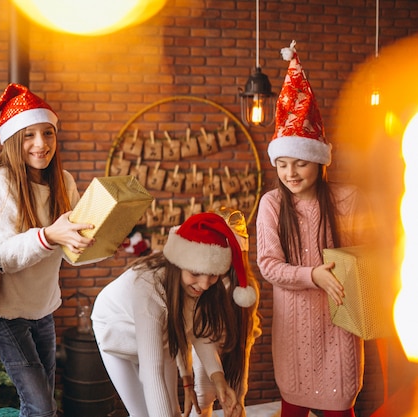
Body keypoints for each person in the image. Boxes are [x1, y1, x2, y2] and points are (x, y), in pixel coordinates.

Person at [256, 41, 374, 417]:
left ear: (320, 163)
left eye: (301, 164)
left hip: (339, 326)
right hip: (292, 328)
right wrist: (313, 275)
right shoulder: (272, 204)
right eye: (283, 164)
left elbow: (366, 258)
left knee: (340, 405)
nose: (291, 174)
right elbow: (268, 265)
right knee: (293, 403)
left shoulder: (347, 199)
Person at [0, 83, 95, 417]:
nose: (41, 144)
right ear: (13, 140)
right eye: (28, 135)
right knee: (40, 407)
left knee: (42, 406)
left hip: (44, 309)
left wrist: (102, 233)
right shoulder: (2, 181)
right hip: (6, 314)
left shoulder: (64, 181)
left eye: (48, 133)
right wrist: (49, 236)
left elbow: (77, 244)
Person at [91, 212, 258, 417]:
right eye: (195, 274)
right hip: (115, 328)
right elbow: (152, 372)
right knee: (142, 413)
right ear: (177, 264)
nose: (204, 284)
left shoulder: (202, 288)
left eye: (213, 275)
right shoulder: (149, 289)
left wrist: (219, 379)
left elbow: (200, 334)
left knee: (172, 412)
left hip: (163, 336)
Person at [187, 208, 262, 417]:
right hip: (204, 345)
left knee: (237, 396)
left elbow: (248, 332)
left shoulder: (247, 289)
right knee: (204, 397)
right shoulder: (201, 283)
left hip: (237, 347)